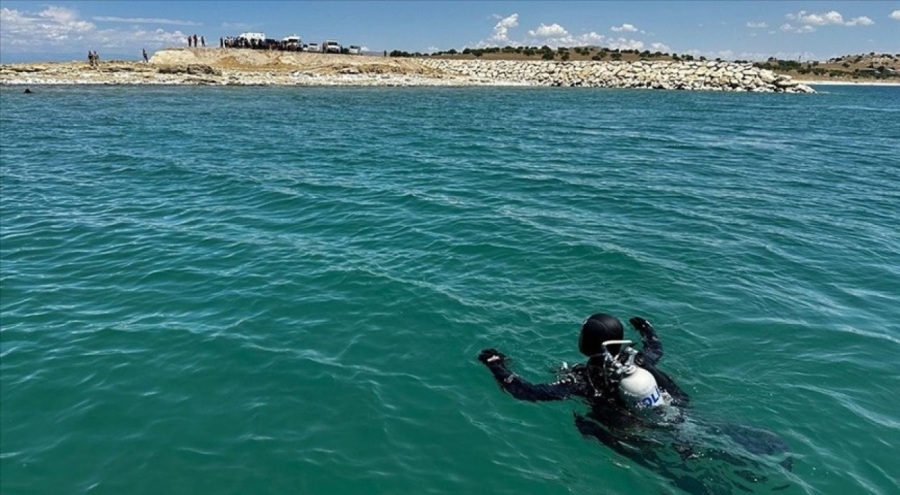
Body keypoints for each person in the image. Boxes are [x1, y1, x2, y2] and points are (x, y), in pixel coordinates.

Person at [478, 313, 794, 495]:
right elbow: (656, 349)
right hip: (675, 410)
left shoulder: (581, 379)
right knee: (688, 431)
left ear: (585, 343)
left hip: (630, 430)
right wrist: (646, 329)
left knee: (589, 426)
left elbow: (529, 392)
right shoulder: (638, 361)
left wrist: (496, 365)